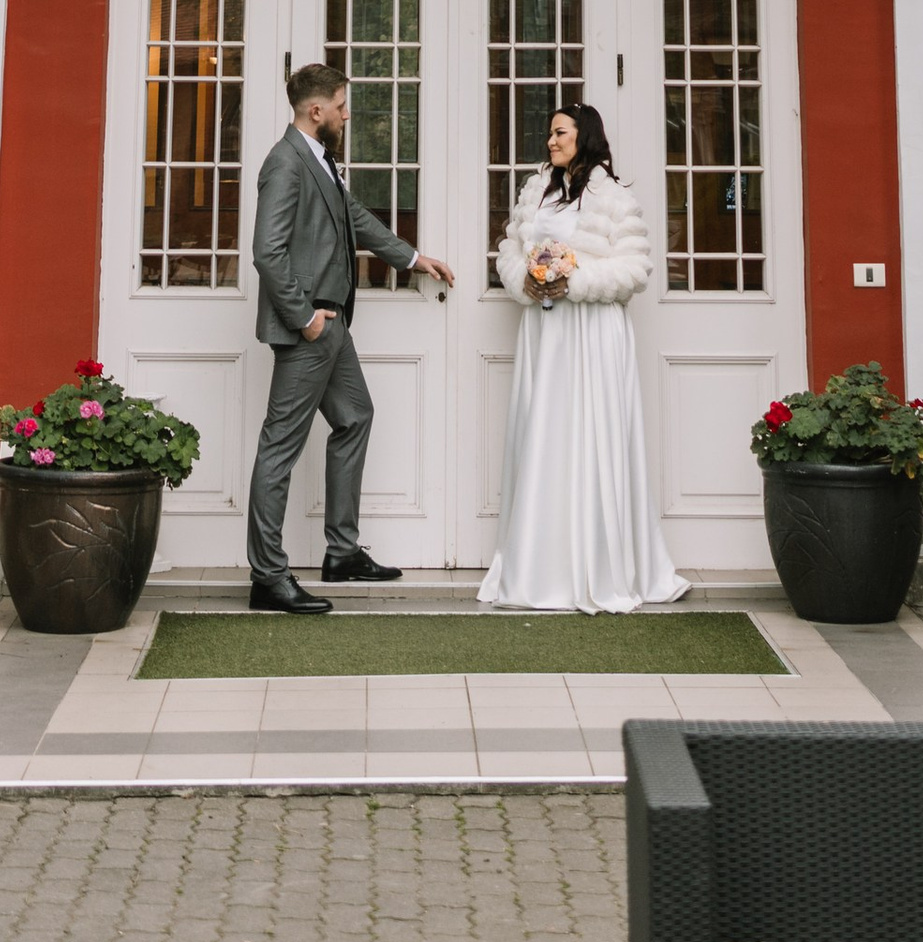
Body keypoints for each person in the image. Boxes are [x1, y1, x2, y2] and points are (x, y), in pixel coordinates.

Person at [247, 60, 455, 612]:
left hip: (333, 327)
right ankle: (268, 577)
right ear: (317, 110)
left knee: (355, 416)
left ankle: (341, 552)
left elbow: (354, 217)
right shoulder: (285, 163)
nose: (347, 114)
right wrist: (305, 317)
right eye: (341, 106)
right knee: (279, 450)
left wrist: (413, 258)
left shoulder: (321, 160)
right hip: (310, 329)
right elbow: (266, 251)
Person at [478, 103, 685, 613]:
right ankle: (538, 565)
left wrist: (578, 281)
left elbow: (635, 269)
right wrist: (522, 280)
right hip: (545, 331)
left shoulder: (613, 197)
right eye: (549, 133)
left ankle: (601, 565)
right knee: (544, 434)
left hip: (592, 332)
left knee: (593, 437)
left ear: (584, 135)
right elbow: (509, 249)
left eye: (560, 132)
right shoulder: (535, 190)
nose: (550, 141)